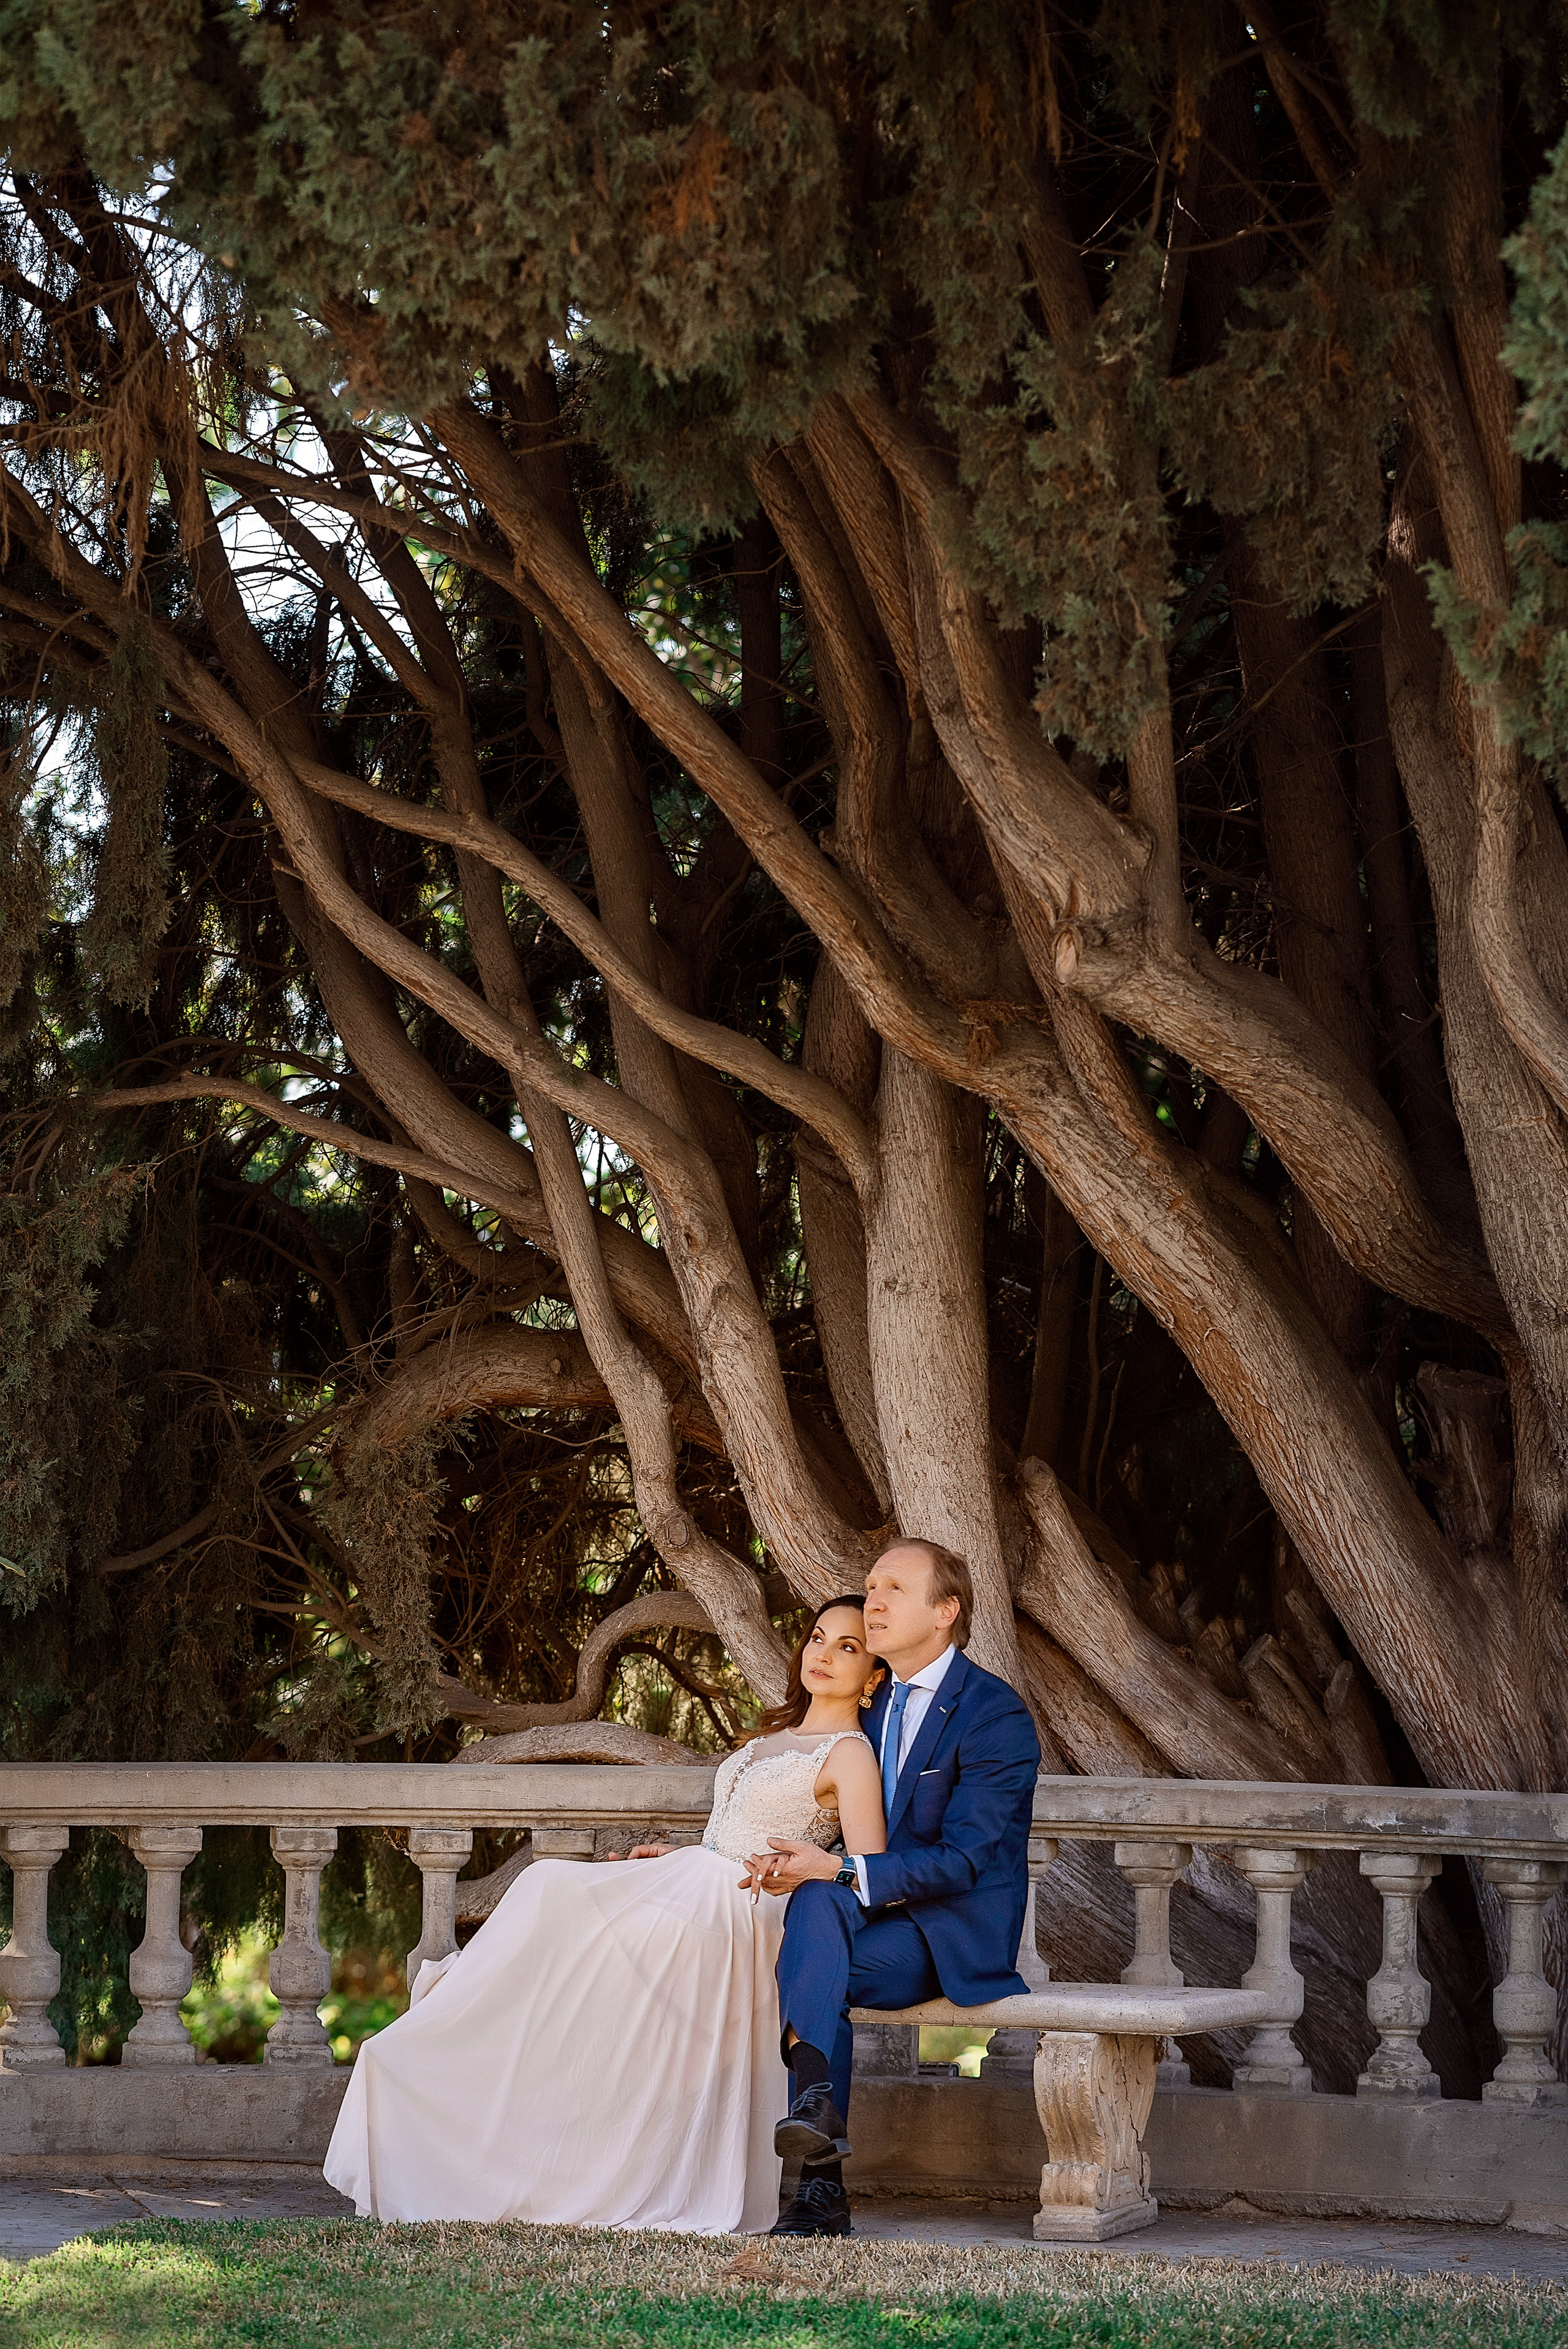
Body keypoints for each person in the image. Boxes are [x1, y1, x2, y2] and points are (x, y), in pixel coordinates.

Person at [322, 1597, 887, 2233]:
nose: (823, 1654)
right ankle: (460, 2042)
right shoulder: (769, 1738)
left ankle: (510, 2092)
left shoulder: (850, 1754)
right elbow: (725, 1836)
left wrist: (804, 1866)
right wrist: (674, 1855)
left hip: (748, 1910)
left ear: (872, 1678)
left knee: (578, 1924)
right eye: (817, 1638)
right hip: (698, 1876)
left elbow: (863, 1874)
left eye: (848, 1648)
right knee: (546, 1885)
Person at [749, 1539, 1041, 2238]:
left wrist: (844, 1871)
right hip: (857, 1920)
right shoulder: (869, 1702)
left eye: (893, 1591)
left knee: (821, 1930)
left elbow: (966, 1860)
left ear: (945, 1612)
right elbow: (807, 1807)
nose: (872, 1602)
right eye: (870, 1586)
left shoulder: (993, 1715)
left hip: (944, 1931)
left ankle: (821, 2187)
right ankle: (816, 2112)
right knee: (816, 1904)